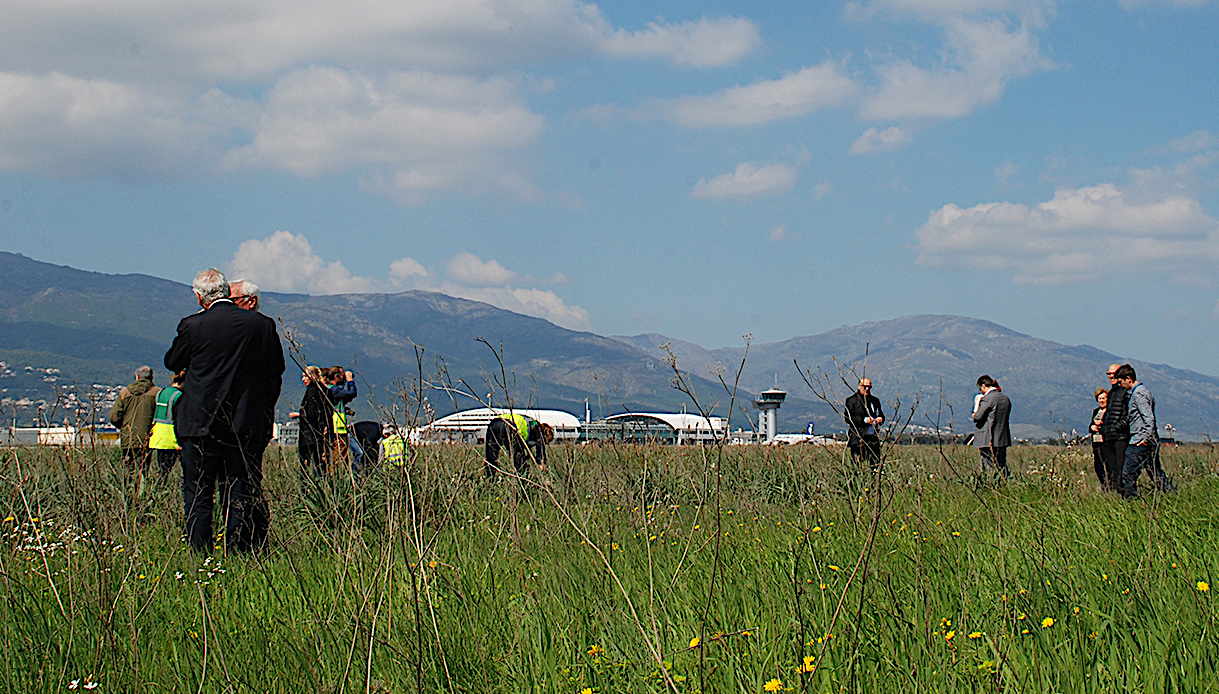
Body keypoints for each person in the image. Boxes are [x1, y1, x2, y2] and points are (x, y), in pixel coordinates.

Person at [165, 268, 284, 554]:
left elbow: (173, 362)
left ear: (199, 296)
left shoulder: (192, 326)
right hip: (245, 421)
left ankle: (200, 553)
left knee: (198, 492)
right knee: (241, 489)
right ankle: (240, 551)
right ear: (227, 290)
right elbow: (275, 370)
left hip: (199, 422)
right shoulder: (261, 325)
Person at [1114, 365, 1175, 498]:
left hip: (1140, 440)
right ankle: (1172, 496)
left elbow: (1149, 418)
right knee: (1155, 472)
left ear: (1128, 379)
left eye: (1121, 381)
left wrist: (1145, 439)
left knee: (1128, 474)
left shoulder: (1139, 394)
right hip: (1147, 439)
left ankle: (1131, 502)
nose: (1120, 385)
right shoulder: (1141, 392)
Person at [109, 365, 161, 474]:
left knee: (128, 472)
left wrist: (124, 427)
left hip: (128, 436)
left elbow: (114, 417)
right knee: (144, 470)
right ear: (152, 377)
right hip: (148, 437)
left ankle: (129, 490)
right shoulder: (157, 393)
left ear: (136, 377)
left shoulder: (124, 393)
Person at [289, 366, 333, 479]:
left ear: (313, 376)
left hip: (309, 434)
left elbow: (311, 413)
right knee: (321, 465)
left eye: (305, 376)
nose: (303, 379)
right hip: (323, 433)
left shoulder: (312, 391)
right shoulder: (326, 390)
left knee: (306, 466)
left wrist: (299, 414)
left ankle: (307, 489)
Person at [485, 412, 554, 478]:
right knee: (520, 462)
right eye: (546, 441)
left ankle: (490, 478)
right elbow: (540, 447)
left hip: (494, 423)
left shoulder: (529, 422)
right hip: (509, 426)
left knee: (491, 457)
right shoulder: (538, 428)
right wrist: (541, 463)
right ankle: (521, 480)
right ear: (547, 433)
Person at [1099, 363, 1130, 495]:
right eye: (1109, 374)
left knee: (1122, 471)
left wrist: (1117, 427)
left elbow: (1129, 414)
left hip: (1120, 437)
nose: (1111, 376)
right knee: (1112, 471)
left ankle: (1127, 496)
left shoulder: (1125, 392)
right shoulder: (1111, 393)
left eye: (1114, 373)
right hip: (1109, 437)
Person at [972, 374, 1011, 476]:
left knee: (989, 465)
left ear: (984, 386)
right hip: (1002, 437)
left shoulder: (988, 398)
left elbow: (978, 417)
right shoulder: (1005, 398)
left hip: (988, 438)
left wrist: (974, 414)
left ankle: (992, 485)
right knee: (1002, 464)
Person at [149, 370, 185, 481]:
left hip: (159, 437)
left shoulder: (161, 393)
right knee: (186, 470)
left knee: (163, 472)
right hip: (173, 438)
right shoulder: (179, 395)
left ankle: (159, 492)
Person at [327, 366, 363, 473]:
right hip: (337, 429)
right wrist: (350, 381)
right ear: (336, 376)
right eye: (342, 375)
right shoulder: (333, 390)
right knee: (339, 458)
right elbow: (351, 393)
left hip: (340, 429)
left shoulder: (333, 390)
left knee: (342, 458)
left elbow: (348, 397)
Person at [844, 378, 884, 468]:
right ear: (859, 386)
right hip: (858, 438)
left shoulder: (875, 400)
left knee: (875, 464)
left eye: (869, 387)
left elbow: (881, 414)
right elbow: (848, 418)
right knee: (857, 465)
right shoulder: (851, 400)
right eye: (864, 387)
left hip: (873, 438)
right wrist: (864, 420)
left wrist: (880, 419)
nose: (867, 389)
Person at [1088, 387, 1111, 489]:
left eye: (1103, 398)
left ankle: (1111, 486)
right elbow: (1091, 426)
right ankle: (1103, 485)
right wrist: (1093, 427)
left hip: (1106, 443)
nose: (1101, 401)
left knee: (1109, 466)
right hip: (1096, 443)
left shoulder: (1110, 411)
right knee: (1098, 467)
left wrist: (1101, 426)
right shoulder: (1096, 411)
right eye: (1100, 399)